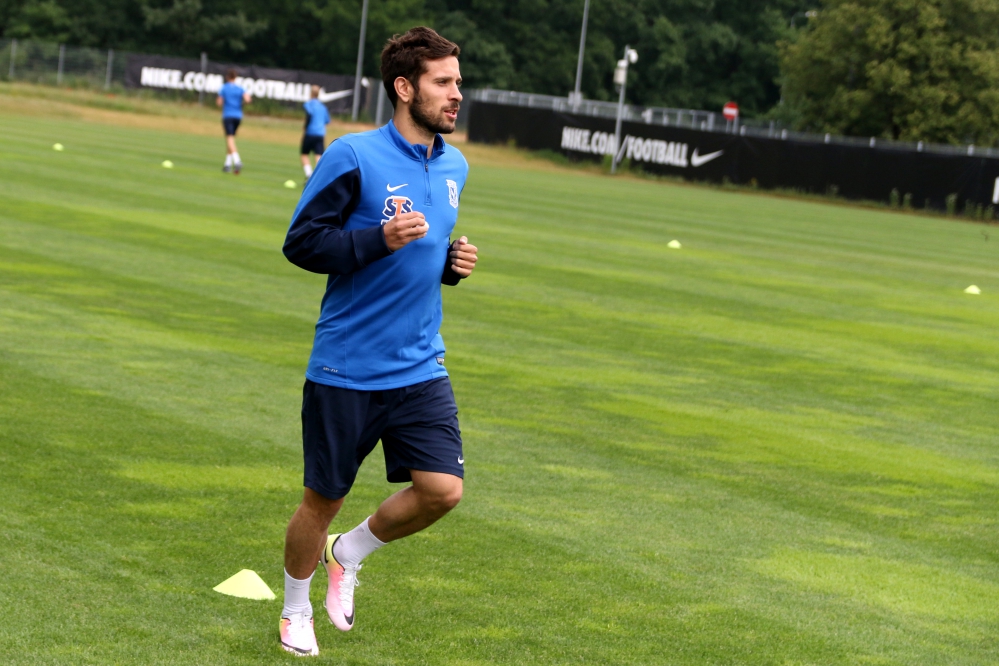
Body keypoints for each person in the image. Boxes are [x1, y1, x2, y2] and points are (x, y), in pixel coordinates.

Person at [277, 26, 477, 657]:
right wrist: (375, 241)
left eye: (458, 83)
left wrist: (449, 263)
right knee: (321, 501)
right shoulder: (353, 156)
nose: (455, 95)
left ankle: (350, 554)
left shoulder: (455, 165)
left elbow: (420, 253)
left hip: (421, 363)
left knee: (443, 489)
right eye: (443, 83)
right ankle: (293, 609)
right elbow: (302, 243)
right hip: (346, 366)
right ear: (404, 87)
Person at [216, 69, 251, 174]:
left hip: (228, 115)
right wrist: (240, 103)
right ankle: (227, 165)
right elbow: (248, 99)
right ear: (235, 77)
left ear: (227, 77)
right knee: (230, 139)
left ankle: (237, 160)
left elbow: (219, 102)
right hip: (238, 116)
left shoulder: (224, 88)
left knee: (229, 138)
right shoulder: (240, 88)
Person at [301, 85, 330, 181]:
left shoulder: (309, 104)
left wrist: (305, 127)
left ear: (311, 93)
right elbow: (327, 120)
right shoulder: (323, 107)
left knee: (304, 154)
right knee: (318, 155)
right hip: (320, 134)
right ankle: (318, 176)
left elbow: (309, 115)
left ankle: (309, 175)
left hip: (310, 133)